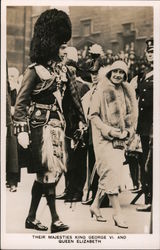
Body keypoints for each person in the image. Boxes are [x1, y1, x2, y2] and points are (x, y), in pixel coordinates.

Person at [13, 8, 86, 233]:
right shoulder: (34, 71)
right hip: (38, 128)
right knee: (48, 174)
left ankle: (31, 218)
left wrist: (78, 123)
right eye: (62, 46)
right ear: (51, 44)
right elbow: (21, 103)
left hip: (57, 127)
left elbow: (70, 101)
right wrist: (21, 130)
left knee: (48, 176)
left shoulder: (62, 71)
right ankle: (55, 220)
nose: (65, 50)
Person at [89, 60, 138, 228]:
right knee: (110, 173)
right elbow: (93, 115)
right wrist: (107, 130)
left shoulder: (127, 90)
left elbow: (132, 116)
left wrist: (129, 132)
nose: (118, 75)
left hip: (120, 140)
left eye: (121, 72)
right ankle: (118, 214)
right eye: (115, 71)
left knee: (111, 173)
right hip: (103, 138)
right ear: (110, 72)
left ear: (125, 75)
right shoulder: (101, 89)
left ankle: (95, 205)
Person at [136, 38, 153, 212]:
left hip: (154, 126)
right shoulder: (145, 73)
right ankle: (149, 198)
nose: (151, 55)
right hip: (144, 126)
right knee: (145, 162)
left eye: (154, 52)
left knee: (152, 163)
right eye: (149, 52)